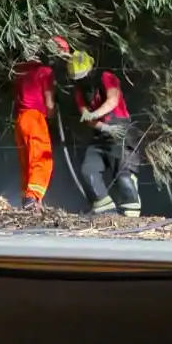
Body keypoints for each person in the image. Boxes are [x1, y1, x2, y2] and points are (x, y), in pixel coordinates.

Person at [66, 51, 141, 217]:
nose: (81, 81)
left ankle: (131, 212)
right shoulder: (79, 92)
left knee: (122, 174)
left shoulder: (107, 77)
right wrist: (104, 128)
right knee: (88, 170)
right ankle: (105, 212)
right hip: (100, 133)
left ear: (91, 70)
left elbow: (112, 101)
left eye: (83, 77)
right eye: (77, 79)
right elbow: (87, 117)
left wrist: (96, 114)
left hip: (120, 129)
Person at [13, 36, 71, 211]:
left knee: (27, 161)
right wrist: (52, 113)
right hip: (35, 118)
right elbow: (49, 101)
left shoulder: (20, 69)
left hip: (20, 120)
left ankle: (28, 200)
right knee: (41, 158)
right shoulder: (44, 71)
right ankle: (33, 198)